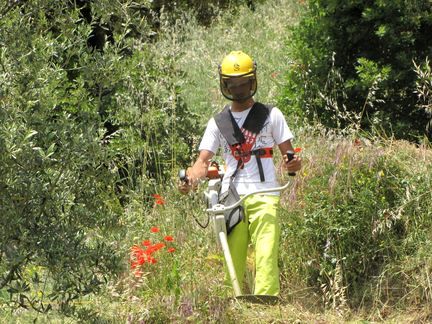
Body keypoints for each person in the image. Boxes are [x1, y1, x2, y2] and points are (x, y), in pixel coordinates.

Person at [179, 50, 301, 296]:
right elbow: (203, 161)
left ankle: (267, 302)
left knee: (266, 252)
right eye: (234, 84)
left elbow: (291, 155)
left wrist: (293, 164)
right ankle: (232, 305)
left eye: (243, 82)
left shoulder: (271, 115)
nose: (239, 88)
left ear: (252, 80)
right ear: (226, 84)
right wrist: (190, 179)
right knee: (231, 257)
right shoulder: (218, 123)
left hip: (266, 193)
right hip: (231, 198)